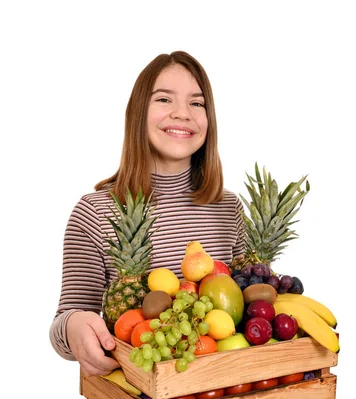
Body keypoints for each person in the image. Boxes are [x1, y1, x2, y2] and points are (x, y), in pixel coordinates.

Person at [49, 51, 245, 377]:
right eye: (164, 99)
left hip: (221, 381)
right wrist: (72, 326)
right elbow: (65, 320)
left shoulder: (228, 208)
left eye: (197, 103)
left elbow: (246, 306)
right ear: (138, 112)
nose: (182, 113)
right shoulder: (95, 212)